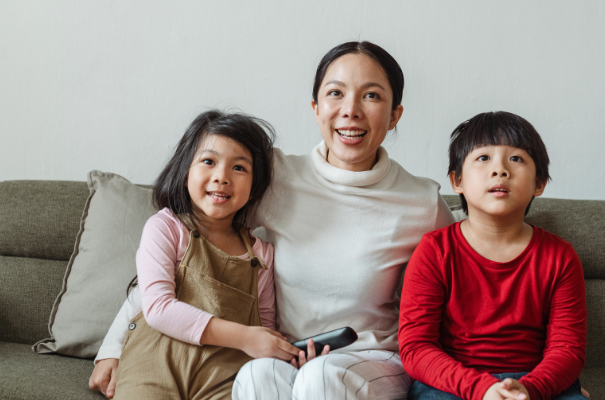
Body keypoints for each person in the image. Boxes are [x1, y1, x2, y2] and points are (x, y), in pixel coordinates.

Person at [90, 41, 457, 400]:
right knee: (254, 373)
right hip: (289, 352)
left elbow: (464, 288)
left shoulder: (421, 202)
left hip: (375, 359)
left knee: (323, 377)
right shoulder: (276, 178)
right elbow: (188, 244)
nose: (350, 110)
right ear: (316, 108)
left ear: (395, 114)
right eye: (335, 93)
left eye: (372, 96)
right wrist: (113, 346)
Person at [108, 110, 300, 400]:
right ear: (185, 171)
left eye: (239, 168)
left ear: (255, 185)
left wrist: (281, 352)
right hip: (154, 363)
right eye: (209, 161)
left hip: (223, 376)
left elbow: (264, 327)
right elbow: (158, 307)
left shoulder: (262, 255)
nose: (222, 177)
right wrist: (245, 338)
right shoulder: (166, 228)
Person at [399, 111, 588, 400]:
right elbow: (416, 348)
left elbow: (568, 350)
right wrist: (482, 389)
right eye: (483, 158)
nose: (500, 169)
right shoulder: (434, 251)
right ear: (457, 181)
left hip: (534, 382)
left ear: (539, 183)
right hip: (453, 383)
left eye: (516, 158)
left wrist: (530, 388)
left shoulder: (559, 256)